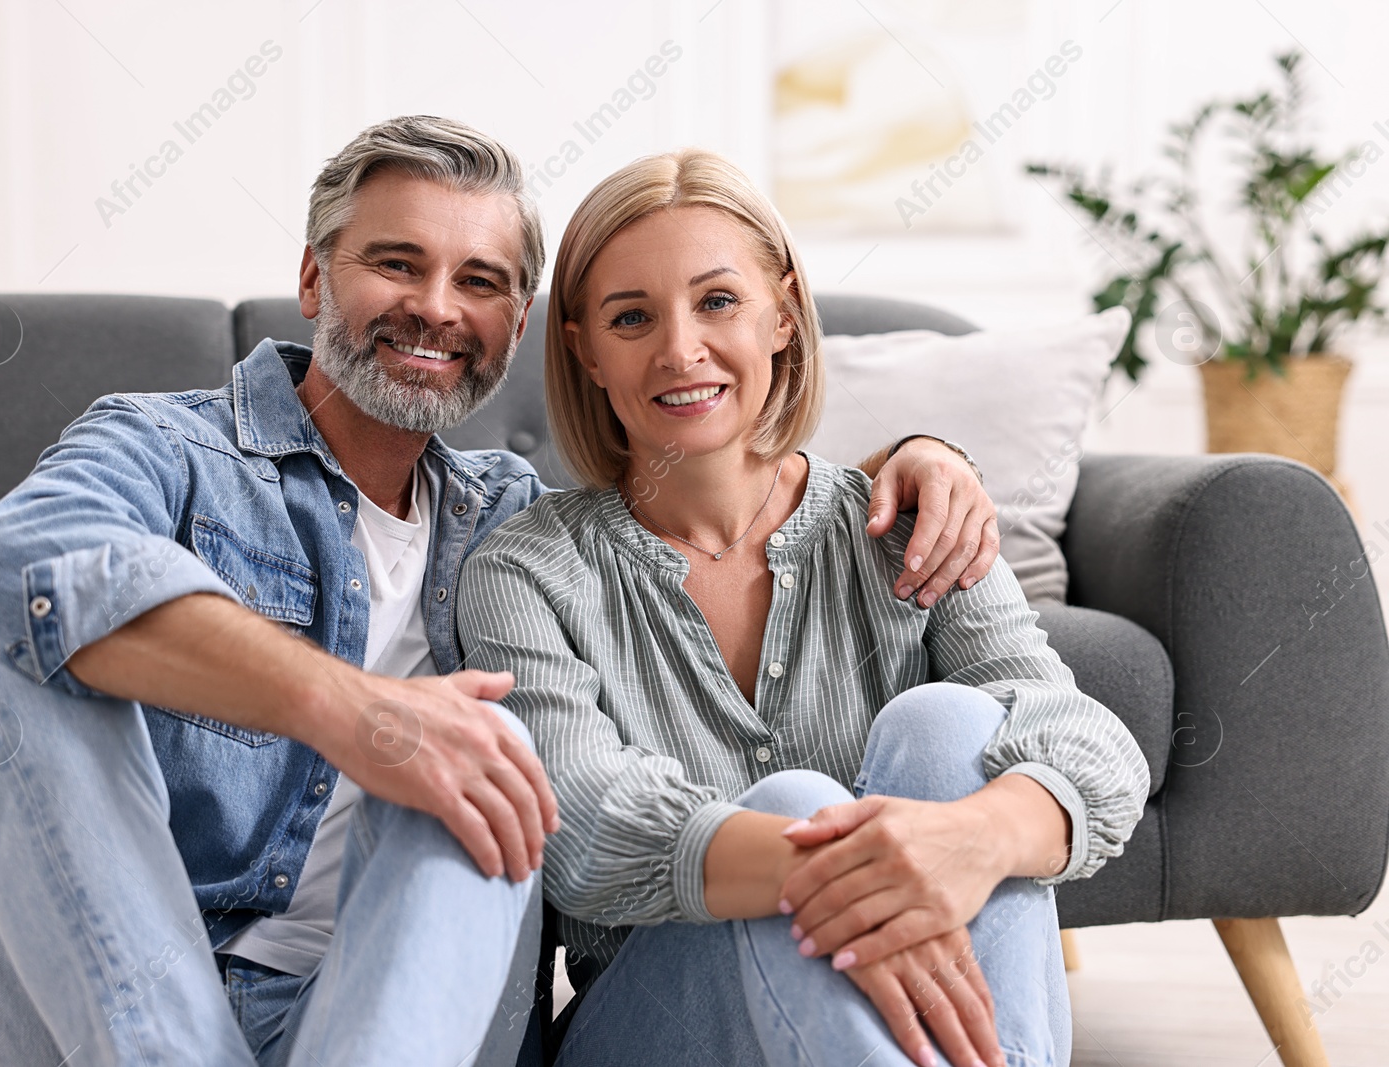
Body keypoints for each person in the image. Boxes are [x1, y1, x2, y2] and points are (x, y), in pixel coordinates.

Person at [0, 117, 997, 1067]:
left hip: (391, 1022)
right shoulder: (166, 446)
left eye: (477, 280)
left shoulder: (513, 526)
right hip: (85, 1013)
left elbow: (705, 462)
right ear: (312, 278)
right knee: (8, 695)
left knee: (490, 749)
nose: (434, 308)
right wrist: (356, 711)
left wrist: (921, 451)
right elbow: (29, 565)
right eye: (396, 262)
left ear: (517, 326)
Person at [456, 148, 1151, 1067]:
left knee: (949, 725)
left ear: (783, 312)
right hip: (658, 1030)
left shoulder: (911, 521)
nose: (679, 348)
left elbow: (1092, 747)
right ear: (585, 348)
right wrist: (852, 869)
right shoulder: (527, 568)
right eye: (633, 317)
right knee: (791, 805)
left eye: (718, 301)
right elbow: (582, 829)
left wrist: (966, 841)